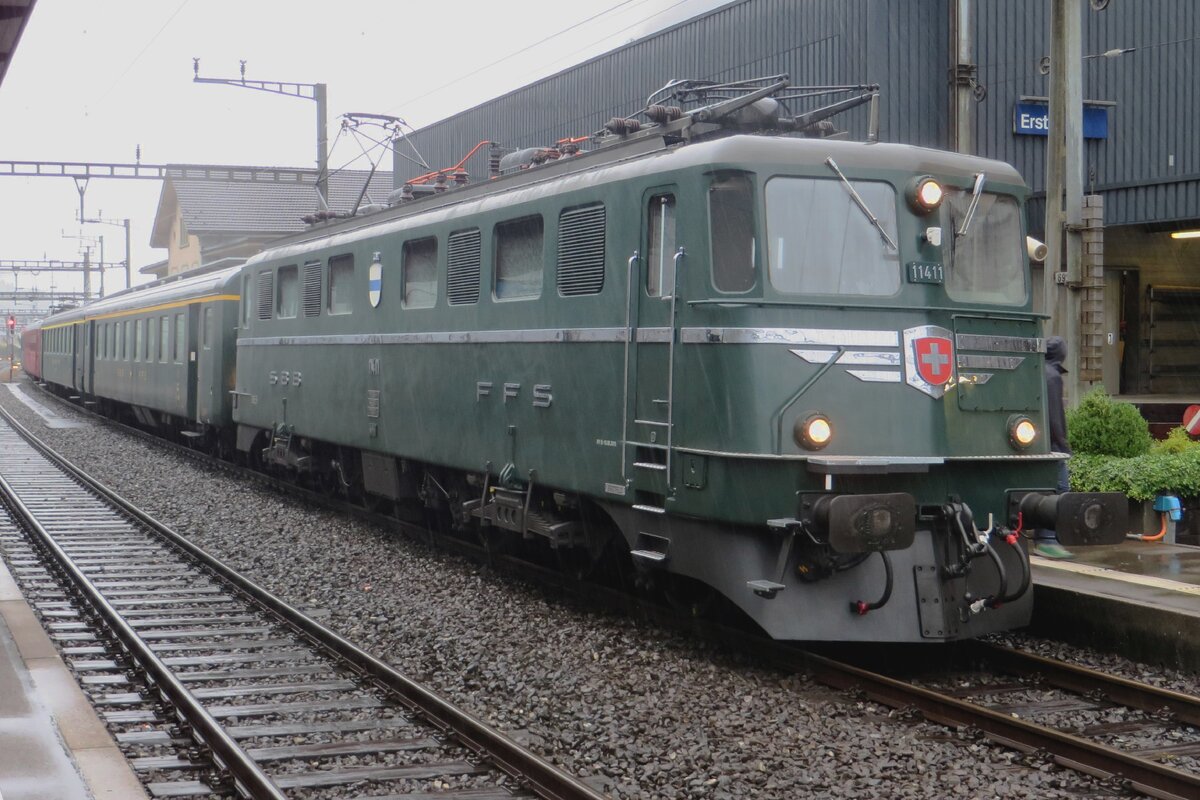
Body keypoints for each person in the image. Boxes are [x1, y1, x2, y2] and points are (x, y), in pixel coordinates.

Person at [1035, 336, 1074, 559]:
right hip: (1052, 445)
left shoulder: (1038, 371)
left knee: (1045, 490)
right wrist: (1062, 443)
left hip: (1038, 444)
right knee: (1060, 490)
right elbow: (1055, 415)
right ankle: (1048, 539)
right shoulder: (1052, 377)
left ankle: (1047, 538)